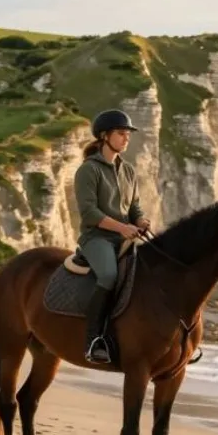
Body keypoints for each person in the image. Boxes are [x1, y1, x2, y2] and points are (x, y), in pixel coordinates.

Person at [72, 108, 151, 364]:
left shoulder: (128, 171)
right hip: (97, 238)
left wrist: (141, 221)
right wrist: (122, 228)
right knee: (108, 275)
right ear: (104, 136)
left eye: (128, 134)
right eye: (121, 133)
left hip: (124, 237)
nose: (126, 138)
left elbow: (134, 207)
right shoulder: (88, 170)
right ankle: (93, 339)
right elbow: (89, 213)